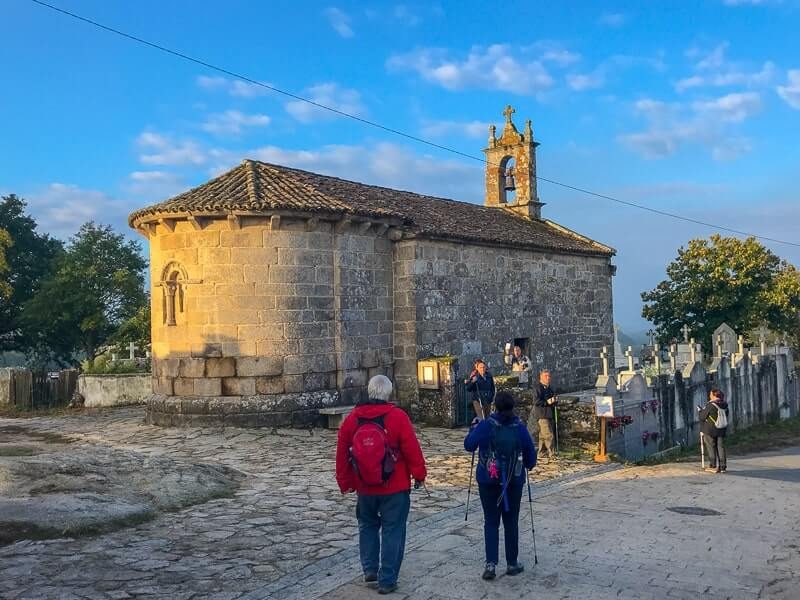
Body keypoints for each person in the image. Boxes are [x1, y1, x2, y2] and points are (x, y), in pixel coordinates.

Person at [335, 375, 427, 594]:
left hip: (365, 485)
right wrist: (419, 474)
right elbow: (411, 449)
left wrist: (345, 482)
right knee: (393, 530)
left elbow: (341, 453)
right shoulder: (397, 417)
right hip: (394, 486)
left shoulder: (352, 419)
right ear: (389, 393)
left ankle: (370, 570)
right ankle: (387, 579)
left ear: (370, 392)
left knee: (367, 526)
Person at [464, 391, 537, 580]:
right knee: (511, 521)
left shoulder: (486, 425)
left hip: (488, 481)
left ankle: (491, 565)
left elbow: (469, 445)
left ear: (495, 406)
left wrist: (473, 429)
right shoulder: (519, 427)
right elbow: (531, 459)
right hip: (513, 481)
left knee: (491, 521)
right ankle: (512, 563)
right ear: (513, 408)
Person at [698, 388, 729, 473]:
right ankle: (723, 467)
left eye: (711, 394)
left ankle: (713, 465)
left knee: (711, 447)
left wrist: (700, 411)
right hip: (722, 428)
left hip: (710, 429)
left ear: (714, 395)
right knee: (721, 447)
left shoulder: (710, 405)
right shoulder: (725, 404)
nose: (709, 395)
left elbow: (702, 417)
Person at [531, 370, 557, 459]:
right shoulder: (538, 387)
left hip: (549, 413)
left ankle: (541, 452)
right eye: (546, 376)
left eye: (549, 376)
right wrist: (547, 402)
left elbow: (552, 399)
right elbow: (536, 401)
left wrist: (554, 401)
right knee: (548, 434)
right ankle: (552, 453)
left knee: (543, 435)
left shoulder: (549, 388)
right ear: (541, 377)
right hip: (542, 414)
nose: (548, 378)